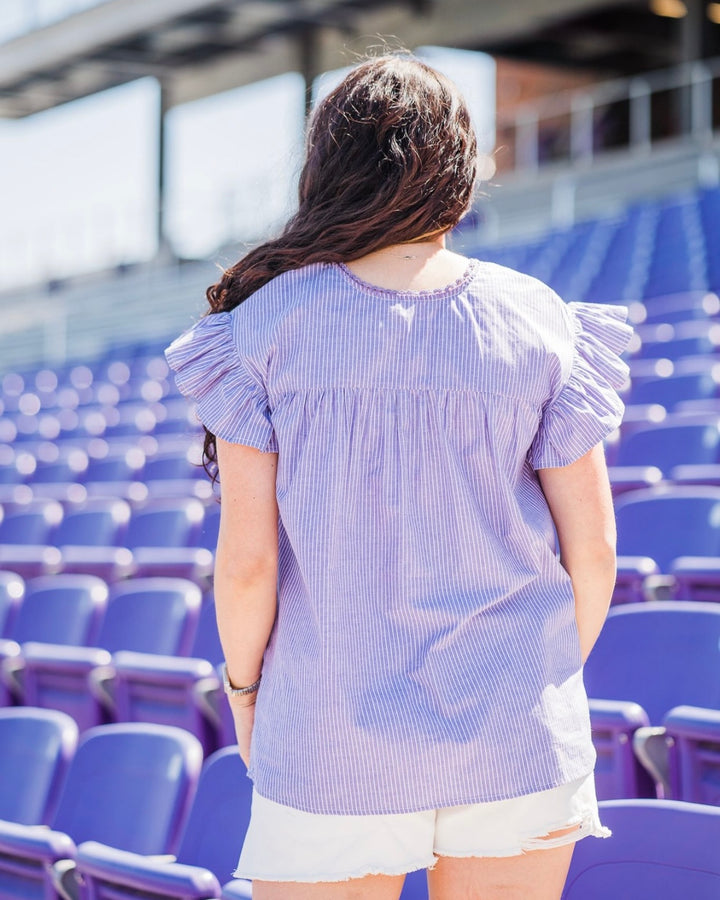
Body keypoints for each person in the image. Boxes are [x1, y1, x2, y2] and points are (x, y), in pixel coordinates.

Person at [165, 53, 632, 900]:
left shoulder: (263, 325)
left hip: (328, 737)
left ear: (327, 166)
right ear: (461, 168)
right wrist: (536, 683)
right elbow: (594, 550)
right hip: (517, 736)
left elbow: (248, 565)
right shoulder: (539, 319)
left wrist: (244, 693)